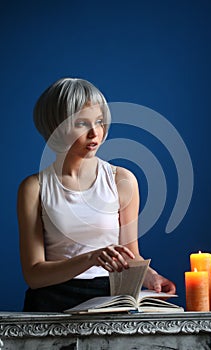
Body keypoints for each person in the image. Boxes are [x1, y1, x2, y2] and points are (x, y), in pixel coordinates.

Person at [17, 77, 176, 312]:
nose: (95, 133)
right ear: (55, 128)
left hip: (108, 300)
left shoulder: (122, 180)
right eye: (82, 123)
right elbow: (34, 275)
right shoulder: (34, 188)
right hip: (50, 303)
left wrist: (151, 277)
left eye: (100, 122)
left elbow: (130, 255)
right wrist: (91, 258)